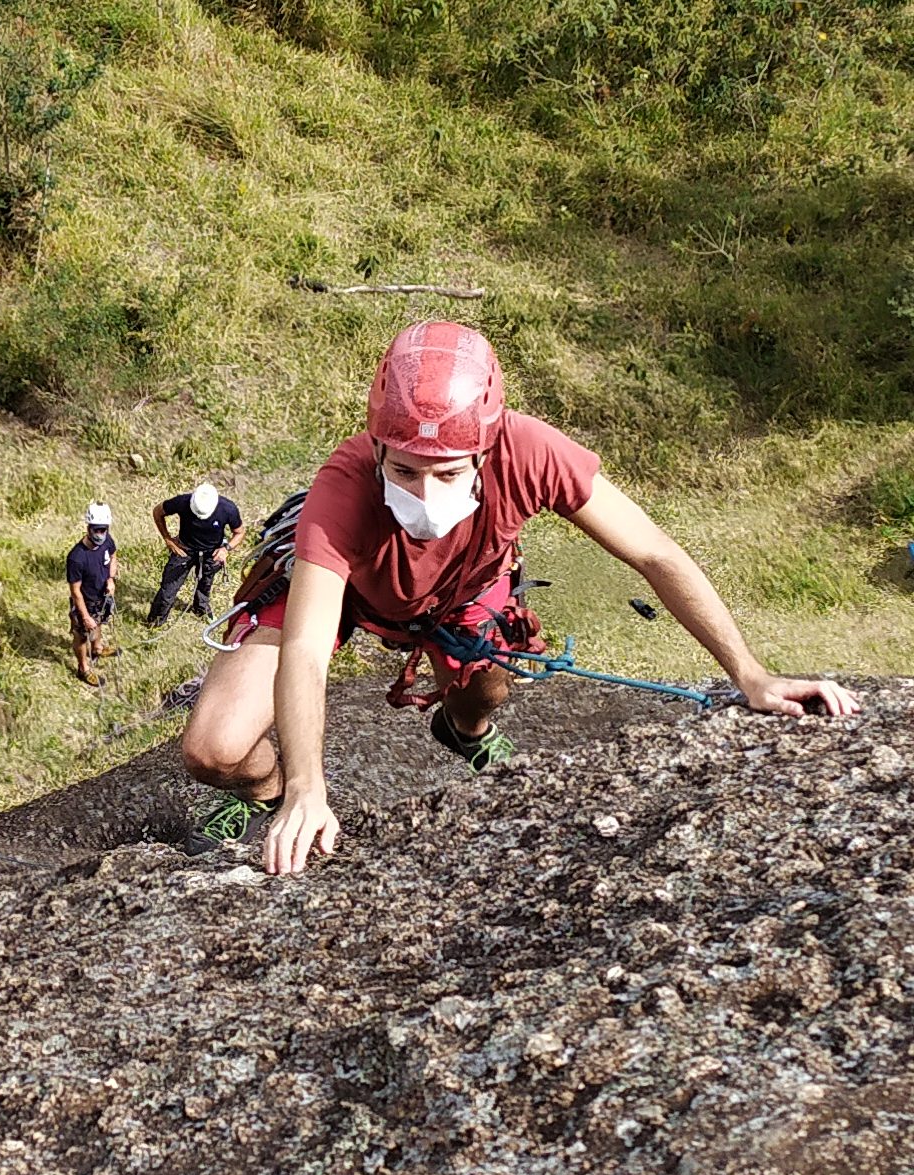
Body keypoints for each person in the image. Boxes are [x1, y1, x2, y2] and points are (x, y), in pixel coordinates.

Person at [180, 321, 861, 873]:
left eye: (445, 472)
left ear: (485, 450)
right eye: (405, 470)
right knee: (211, 748)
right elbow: (304, 646)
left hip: (463, 592)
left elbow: (654, 552)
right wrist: (304, 789)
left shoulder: (530, 451)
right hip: (351, 587)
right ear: (379, 446)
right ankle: (263, 792)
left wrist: (749, 673)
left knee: (486, 694)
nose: (422, 495)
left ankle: (461, 731)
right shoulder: (348, 484)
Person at [146, 482, 245, 626]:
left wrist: (226, 549)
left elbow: (240, 532)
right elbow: (158, 511)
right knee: (169, 588)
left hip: (212, 553)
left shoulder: (228, 509)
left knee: (205, 582)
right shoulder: (182, 502)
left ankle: (201, 608)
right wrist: (168, 539)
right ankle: (156, 621)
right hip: (184, 549)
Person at [67, 502, 119, 687]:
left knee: (99, 623)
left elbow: (113, 556)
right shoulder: (77, 557)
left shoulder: (107, 540)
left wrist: (111, 579)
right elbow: (75, 591)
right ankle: (83, 668)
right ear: (88, 527)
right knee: (81, 636)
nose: (100, 534)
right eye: (96, 530)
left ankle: (97, 648)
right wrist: (85, 616)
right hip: (85, 602)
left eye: (103, 530)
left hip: (101, 598)